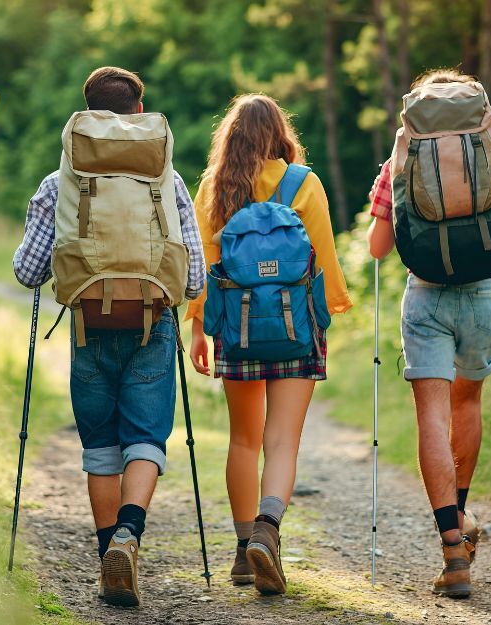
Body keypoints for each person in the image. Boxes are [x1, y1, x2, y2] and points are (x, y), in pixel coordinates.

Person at [366, 68, 491, 599]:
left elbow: (377, 248)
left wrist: (386, 197)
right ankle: (461, 507)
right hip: (484, 291)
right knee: (466, 403)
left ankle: (452, 546)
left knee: (431, 415)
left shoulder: (404, 156)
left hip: (426, 293)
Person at [12, 66, 205, 608]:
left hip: (87, 327)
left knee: (100, 447)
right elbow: (193, 277)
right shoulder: (167, 179)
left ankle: (106, 564)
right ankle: (129, 535)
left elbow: (27, 271)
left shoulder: (59, 183)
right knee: (146, 438)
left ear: (88, 115)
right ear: (138, 114)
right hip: (152, 325)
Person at [186, 94, 352, 596]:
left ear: (229, 138)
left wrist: (198, 328)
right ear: (281, 134)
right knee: (282, 440)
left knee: (243, 439)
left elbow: (202, 265)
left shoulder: (216, 188)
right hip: (296, 329)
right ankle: (267, 531)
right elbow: (322, 258)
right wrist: (330, 313)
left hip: (235, 331)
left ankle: (241, 552)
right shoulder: (305, 184)